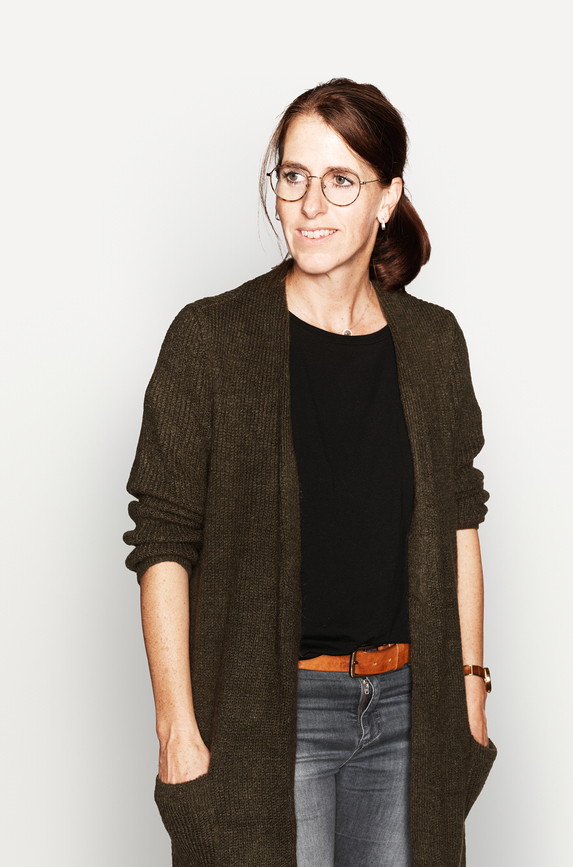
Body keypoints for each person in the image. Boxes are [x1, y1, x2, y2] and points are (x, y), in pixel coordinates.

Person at [124, 78, 496, 867]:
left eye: (340, 180)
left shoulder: (434, 345)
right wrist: (176, 726)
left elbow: (460, 519)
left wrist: (470, 688)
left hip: (410, 710)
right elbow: (163, 540)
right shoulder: (210, 340)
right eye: (293, 176)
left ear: (387, 197)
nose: (310, 204)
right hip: (267, 714)